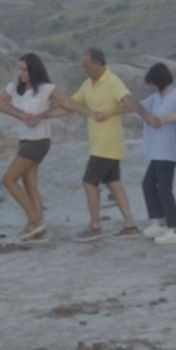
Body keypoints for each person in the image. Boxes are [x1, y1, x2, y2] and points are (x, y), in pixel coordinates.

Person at [0, 54, 64, 241]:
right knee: (29, 185)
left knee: (8, 180)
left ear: (34, 70)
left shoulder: (47, 88)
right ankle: (39, 229)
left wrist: (44, 115)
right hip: (24, 139)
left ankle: (34, 220)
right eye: (20, 69)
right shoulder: (14, 88)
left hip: (39, 140)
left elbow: (67, 106)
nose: (21, 73)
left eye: (25, 70)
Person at [66, 47, 140, 240]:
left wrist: (109, 113)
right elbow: (72, 103)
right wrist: (45, 114)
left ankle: (95, 226)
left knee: (89, 183)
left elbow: (131, 104)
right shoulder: (87, 84)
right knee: (113, 183)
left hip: (106, 143)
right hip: (101, 143)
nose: (84, 69)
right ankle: (130, 225)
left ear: (98, 64)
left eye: (87, 65)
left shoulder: (113, 81)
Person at [128, 62, 176, 244]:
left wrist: (165, 119)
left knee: (164, 189)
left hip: (168, 151)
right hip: (156, 151)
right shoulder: (156, 98)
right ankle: (159, 221)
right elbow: (139, 107)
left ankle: (175, 227)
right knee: (148, 185)